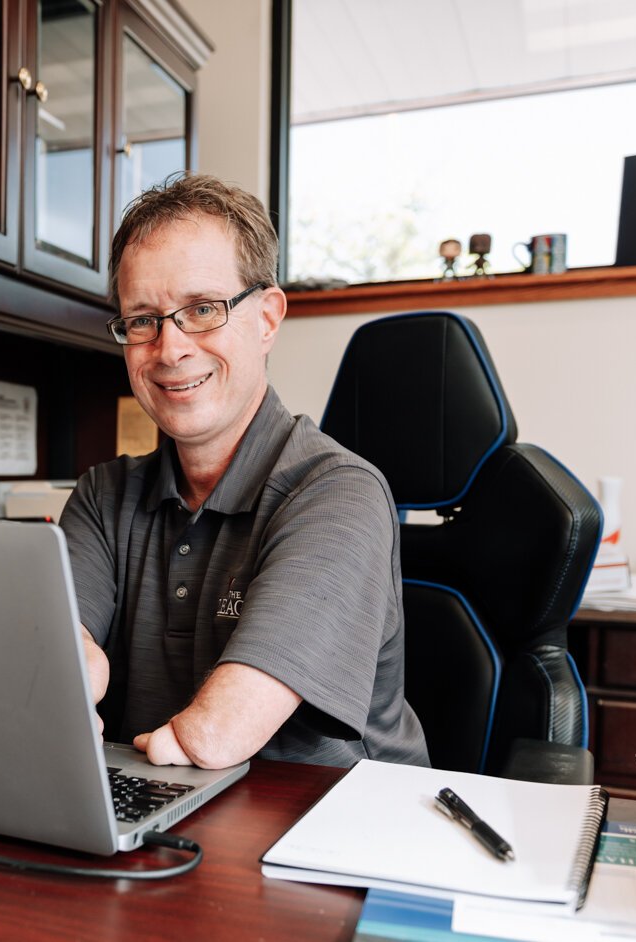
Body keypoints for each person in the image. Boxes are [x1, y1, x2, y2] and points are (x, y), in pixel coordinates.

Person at [58, 173, 429, 770]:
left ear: (267, 318)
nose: (170, 348)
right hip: (167, 826)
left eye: (202, 309)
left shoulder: (338, 494)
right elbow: (51, 661)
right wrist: (65, 667)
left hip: (333, 837)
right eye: (143, 320)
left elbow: (216, 736)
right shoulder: (103, 496)